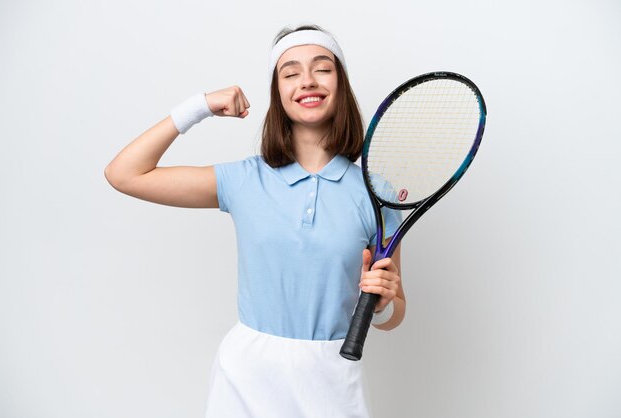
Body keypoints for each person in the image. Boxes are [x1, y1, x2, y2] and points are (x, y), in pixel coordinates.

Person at [105, 24, 406, 418]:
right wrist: (200, 106)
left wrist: (383, 303)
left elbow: (394, 313)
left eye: (322, 68)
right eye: (290, 72)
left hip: (334, 373)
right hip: (247, 376)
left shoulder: (376, 192)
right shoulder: (244, 180)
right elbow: (124, 174)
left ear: (341, 83)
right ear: (277, 93)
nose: (308, 81)